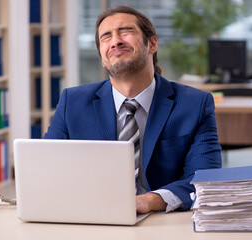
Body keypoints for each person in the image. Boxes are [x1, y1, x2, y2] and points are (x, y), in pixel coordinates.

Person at [44, 6, 222, 214]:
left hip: (163, 221)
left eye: (125, 31)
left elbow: (205, 179)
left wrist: (149, 201)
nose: (115, 41)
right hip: (91, 216)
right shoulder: (72, 103)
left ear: (152, 44)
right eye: (106, 37)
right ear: (102, 55)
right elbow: (47, 169)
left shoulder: (195, 104)